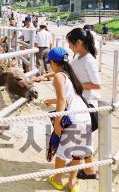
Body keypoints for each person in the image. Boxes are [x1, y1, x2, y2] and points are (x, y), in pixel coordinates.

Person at [34, 27, 101, 180]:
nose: (69, 47)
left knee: (77, 142)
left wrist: (74, 86)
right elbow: (65, 71)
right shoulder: (77, 58)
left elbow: (97, 85)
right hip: (77, 102)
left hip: (87, 104)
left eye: (70, 44)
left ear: (79, 42)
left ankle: (84, 171)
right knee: (81, 143)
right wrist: (44, 77)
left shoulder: (89, 60)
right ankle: (85, 172)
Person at [45, 47, 92, 192]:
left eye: (50, 63)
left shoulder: (59, 76)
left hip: (73, 119)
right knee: (78, 152)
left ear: (52, 62)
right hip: (85, 118)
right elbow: (69, 97)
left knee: (62, 151)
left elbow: (62, 99)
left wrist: (58, 122)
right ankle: (72, 183)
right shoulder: (71, 75)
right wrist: (51, 101)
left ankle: (58, 180)